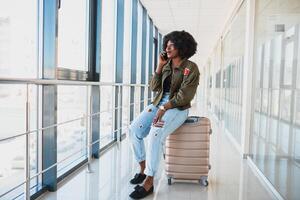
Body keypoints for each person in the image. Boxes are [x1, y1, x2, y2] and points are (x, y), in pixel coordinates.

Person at [128, 30, 200, 199]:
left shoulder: (191, 68)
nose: (168, 47)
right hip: (158, 104)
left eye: (172, 44)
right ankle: (143, 169)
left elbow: (185, 96)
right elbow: (154, 88)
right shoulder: (166, 65)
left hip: (177, 108)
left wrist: (164, 108)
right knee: (133, 130)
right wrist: (159, 66)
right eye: (167, 44)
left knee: (155, 133)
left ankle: (149, 181)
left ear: (182, 47)